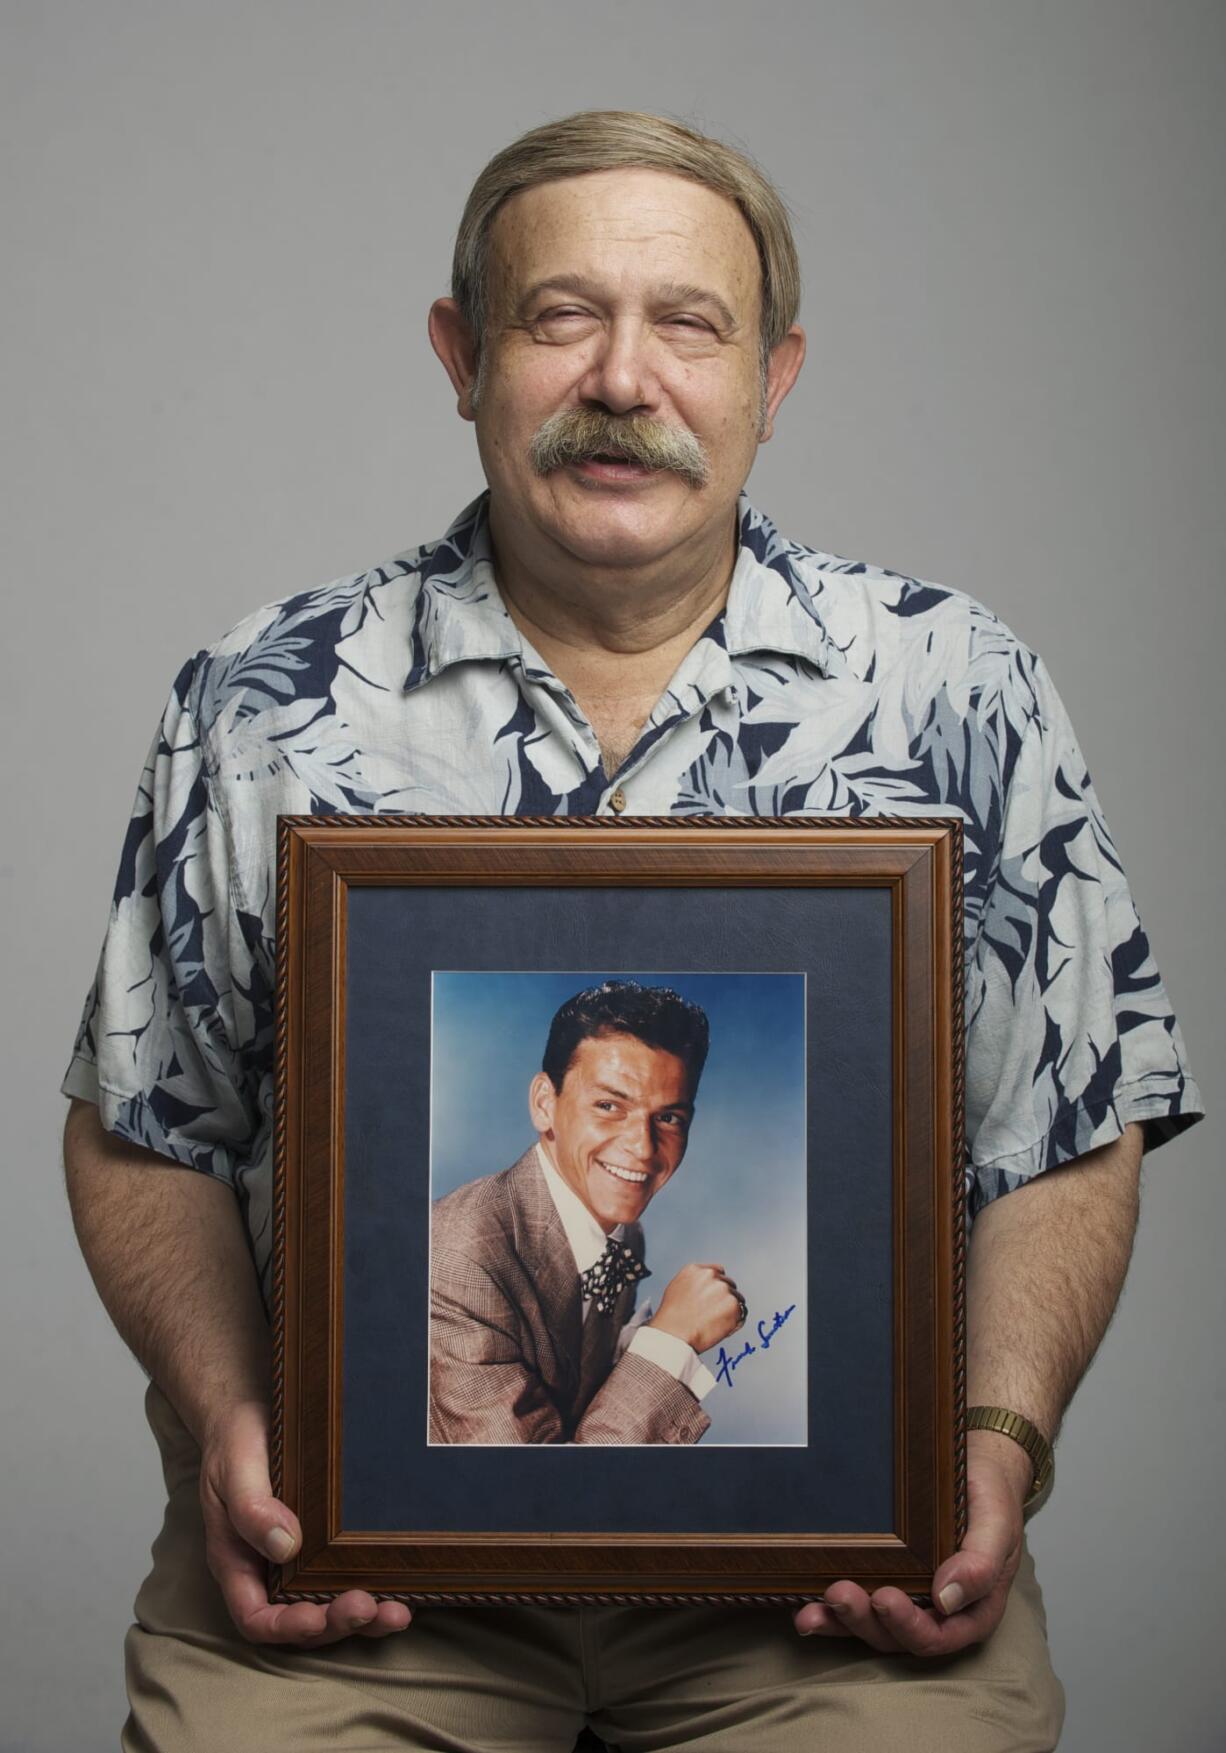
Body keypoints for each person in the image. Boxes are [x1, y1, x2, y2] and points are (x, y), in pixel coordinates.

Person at [62, 109, 1203, 1751]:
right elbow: (145, 1130)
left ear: (773, 374)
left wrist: (995, 1439)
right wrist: (234, 1416)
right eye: (557, 316)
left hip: (825, 1598)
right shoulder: (266, 702)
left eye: (689, 323)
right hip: (348, 1583)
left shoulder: (957, 688)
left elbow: (1067, 1128)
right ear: (461, 357)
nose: (623, 377)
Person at [430, 980, 745, 1445]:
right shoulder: (456, 1262)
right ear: (544, 1104)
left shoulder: (625, 1233)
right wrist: (669, 1343)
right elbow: (538, 1498)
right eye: (609, 1106)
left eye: (669, 1118)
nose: (642, 1148)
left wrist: (631, 1349)